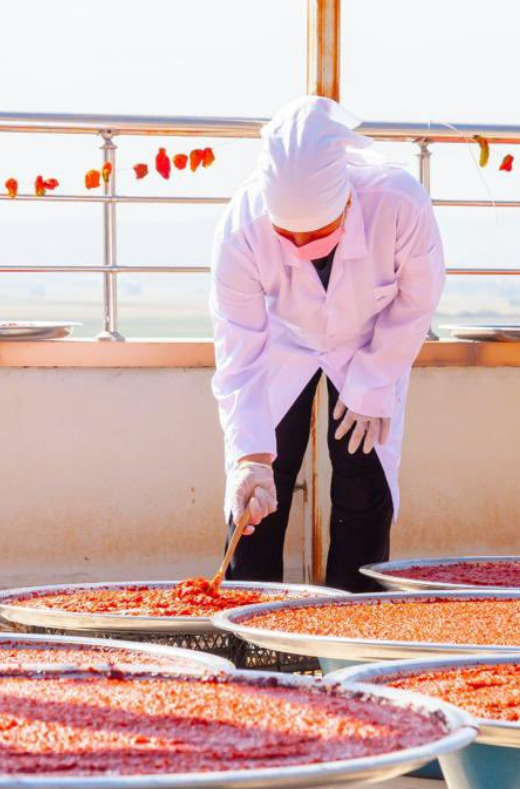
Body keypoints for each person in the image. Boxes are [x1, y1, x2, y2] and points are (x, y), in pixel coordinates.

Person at [209, 95, 445, 592]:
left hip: (369, 344)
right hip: (282, 343)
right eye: (287, 237)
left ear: (346, 200)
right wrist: (249, 457)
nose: (299, 249)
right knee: (256, 499)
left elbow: (417, 300)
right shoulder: (240, 227)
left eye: (316, 235)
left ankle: (352, 633)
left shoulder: (399, 202)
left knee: (363, 485)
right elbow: (239, 348)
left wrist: (374, 380)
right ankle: (246, 632)